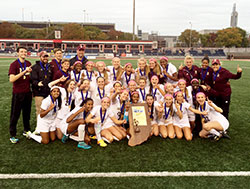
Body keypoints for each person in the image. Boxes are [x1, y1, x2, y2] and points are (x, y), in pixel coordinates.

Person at [8, 46, 32, 143]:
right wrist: (24, 72)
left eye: (25, 52)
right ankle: (12, 134)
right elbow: (12, 79)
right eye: (21, 51)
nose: (24, 53)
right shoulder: (14, 64)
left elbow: (30, 79)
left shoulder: (29, 63)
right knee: (15, 114)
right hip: (18, 93)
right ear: (17, 53)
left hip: (27, 93)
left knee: (27, 114)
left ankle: (26, 130)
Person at [30, 51, 53, 117]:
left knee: (48, 109)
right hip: (38, 92)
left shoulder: (49, 66)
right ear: (40, 57)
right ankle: (40, 126)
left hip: (48, 91)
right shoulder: (35, 67)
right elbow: (32, 79)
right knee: (40, 110)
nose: (45, 58)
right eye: (43, 56)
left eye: (46, 56)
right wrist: (37, 83)